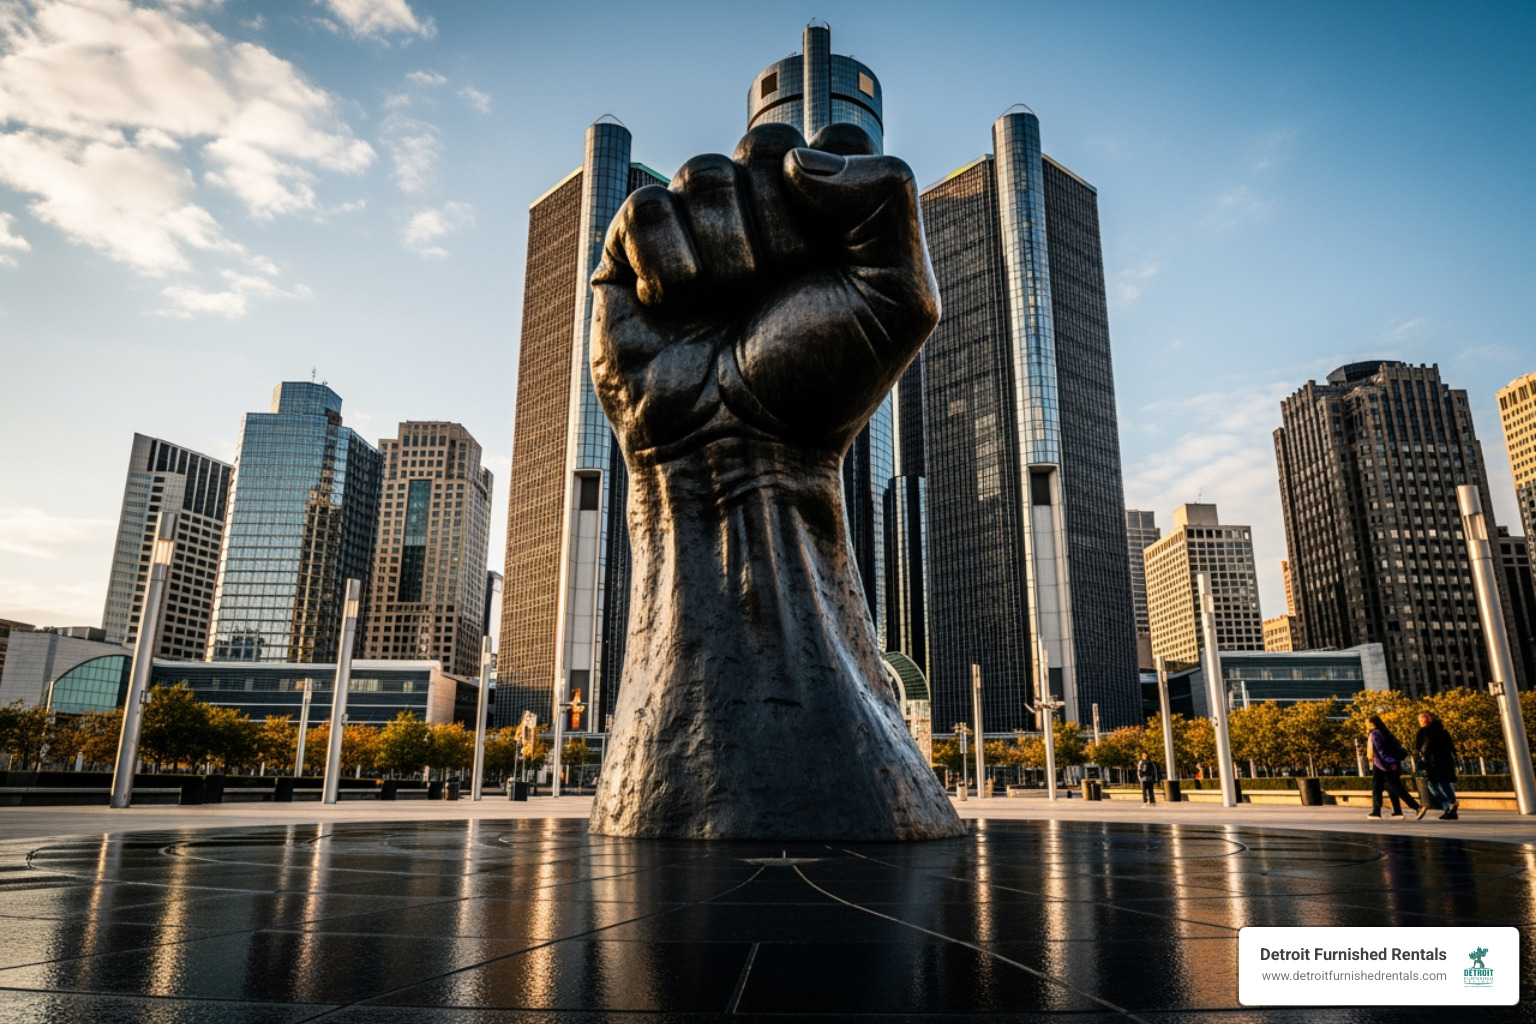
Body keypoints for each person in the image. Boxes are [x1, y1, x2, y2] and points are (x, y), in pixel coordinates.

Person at [1365, 714, 1424, 819]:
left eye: (1367, 723)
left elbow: (1379, 751)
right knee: (1389, 788)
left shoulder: (1374, 733)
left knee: (1392, 788)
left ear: (1371, 723)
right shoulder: (1385, 732)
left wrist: (1385, 762)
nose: (1366, 725)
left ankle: (1417, 807)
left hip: (1382, 765)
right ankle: (1396, 811)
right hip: (1393, 764)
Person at [1415, 711, 1460, 820]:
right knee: (1441, 783)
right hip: (1441, 761)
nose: (1420, 721)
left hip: (1435, 761)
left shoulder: (1425, 732)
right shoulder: (1441, 731)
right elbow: (1451, 747)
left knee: (1435, 784)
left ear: (1428, 720)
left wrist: (1422, 756)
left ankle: (1449, 806)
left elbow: (1422, 748)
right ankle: (1451, 805)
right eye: (1419, 719)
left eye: (1422, 719)